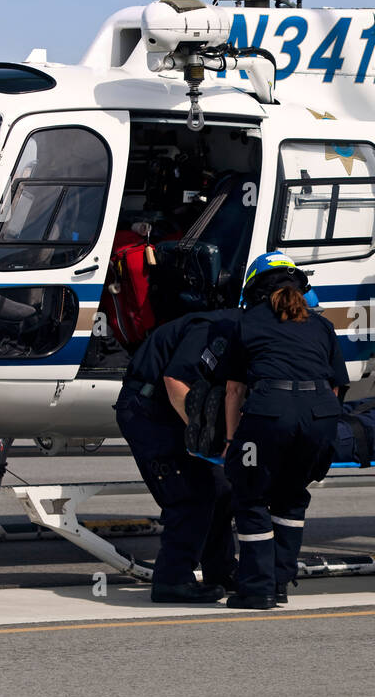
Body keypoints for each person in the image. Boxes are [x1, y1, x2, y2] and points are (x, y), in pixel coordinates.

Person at [222, 253, 349, 610]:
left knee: (250, 496)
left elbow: (234, 390)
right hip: (320, 415)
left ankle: (257, 588)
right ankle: (279, 585)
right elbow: (337, 386)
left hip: (269, 414)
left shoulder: (247, 321)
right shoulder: (321, 325)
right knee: (291, 497)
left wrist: (233, 440)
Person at [115, 308, 241, 603]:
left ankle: (221, 571)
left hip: (167, 410)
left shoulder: (243, 327)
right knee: (190, 494)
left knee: (221, 490)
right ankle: (172, 581)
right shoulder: (218, 329)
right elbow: (176, 381)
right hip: (149, 410)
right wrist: (201, 433)